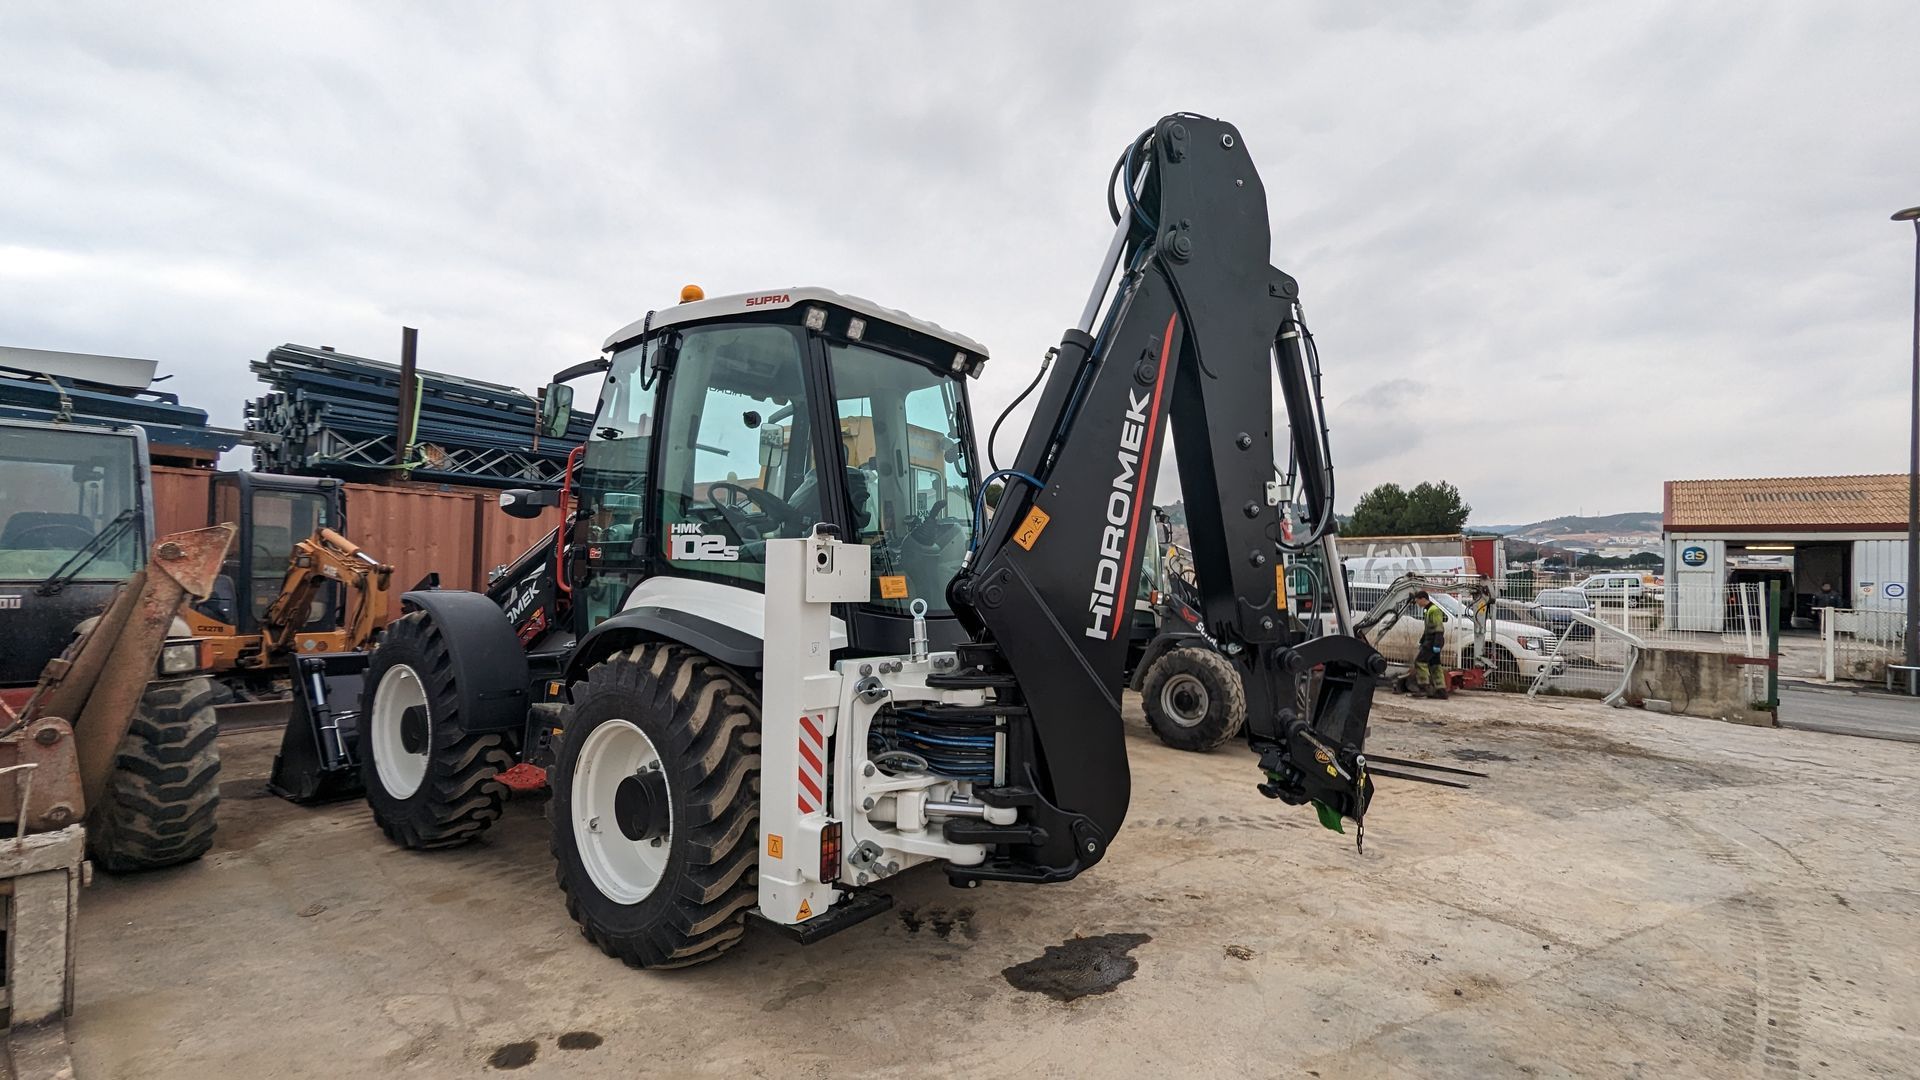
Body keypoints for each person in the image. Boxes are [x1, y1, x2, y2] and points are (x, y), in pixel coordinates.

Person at [1411, 589, 1449, 700]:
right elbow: (1428, 628)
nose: (1417, 603)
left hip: (1433, 640)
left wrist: (1436, 644)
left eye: (1417, 601)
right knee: (1435, 665)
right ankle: (1441, 691)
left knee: (1420, 662)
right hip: (1431, 640)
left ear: (1423, 599)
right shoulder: (1428, 610)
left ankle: (1424, 688)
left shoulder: (1434, 610)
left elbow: (1438, 628)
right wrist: (1422, 641)